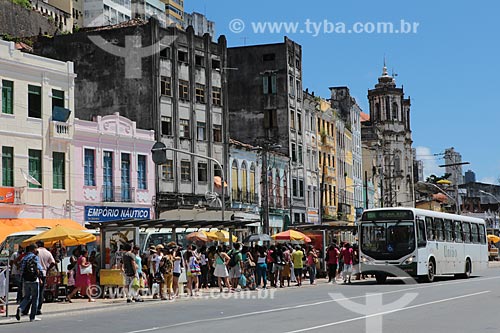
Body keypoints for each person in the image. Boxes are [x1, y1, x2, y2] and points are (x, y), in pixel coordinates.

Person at [16, 244, 43, 322]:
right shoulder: (35, 257)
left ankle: (20, 308)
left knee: (27, 297)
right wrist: (40, 278)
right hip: (34, 280)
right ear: (33, 249)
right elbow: (38, 269)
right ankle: (32, 317)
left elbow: (21, 269)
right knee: (35, 298)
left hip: (26, 280)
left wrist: (22, 280)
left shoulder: (24, 258)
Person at [35, 241, 56, 315]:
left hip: (35, 273)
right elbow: (53, 262)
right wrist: (48, 269)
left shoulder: (36, 251)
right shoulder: (48, 252)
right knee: (41, 291)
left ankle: (31, 308)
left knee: (34, 291)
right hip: (43, 273)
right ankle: (38, 308)